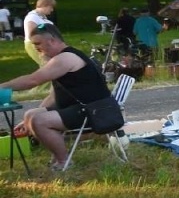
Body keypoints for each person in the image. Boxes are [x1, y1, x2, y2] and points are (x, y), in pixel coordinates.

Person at [1, 23, 121, 171]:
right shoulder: (63, 57)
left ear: (51, 40)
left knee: (39, 122)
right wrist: (27, 121)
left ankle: (64, 161)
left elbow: (33, 80)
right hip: (83, 108)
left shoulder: (66, 58)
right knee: (30, 115)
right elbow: (54, 94)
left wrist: (3, 86)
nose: (36, 48)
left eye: (38, 43)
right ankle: (58, 155)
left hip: (95, 111)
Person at [23, 0, 56, 66]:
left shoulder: (41, 17)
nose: (52, 10)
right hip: (37, 45)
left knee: (50, 65)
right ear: (45, 5)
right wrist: (41, 50)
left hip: (45, 44)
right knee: (47, 65)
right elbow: (32, 35)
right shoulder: (32, 17)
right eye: (51, 7)